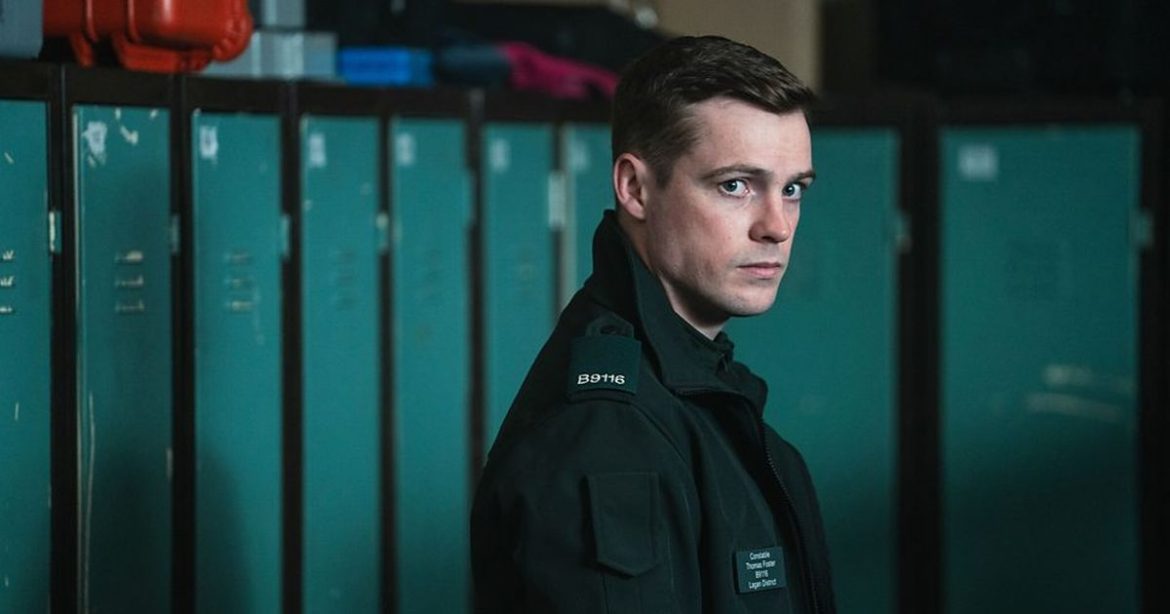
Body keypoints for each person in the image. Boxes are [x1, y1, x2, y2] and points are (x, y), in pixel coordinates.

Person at [471, 35, 835, 613]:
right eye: (735, 185)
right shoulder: (607, 434)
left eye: (792, 190)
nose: (777, 226)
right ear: (635, 189)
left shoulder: (697, 385)